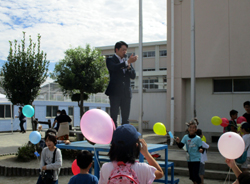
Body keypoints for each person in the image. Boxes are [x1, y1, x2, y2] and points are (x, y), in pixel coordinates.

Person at [98, 124, 164, 183]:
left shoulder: (105, 168)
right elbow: (160, 173)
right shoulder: (143, 168)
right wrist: (146, 154)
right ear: (136, 146)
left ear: (113, 146)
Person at [105, 41, 138, 127]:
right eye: (123, 50)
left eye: (126, 50)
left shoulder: (127, 61)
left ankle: (124, 138)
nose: (125, 52)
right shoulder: (110, 60)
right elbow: (114, 68)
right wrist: (127, 62)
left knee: (126, 119)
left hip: (126, 93)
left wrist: (129, 66)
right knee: (114, 117)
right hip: (115, 93)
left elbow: (133, 76)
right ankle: (114, 138)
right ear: (117, 49)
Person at [175, 120, 203, 184]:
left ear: (196, 129)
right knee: (191, 177)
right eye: (190, 127)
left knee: (196, 175)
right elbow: (181, 146)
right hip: (189, 159)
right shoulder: (185, 137)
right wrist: (177, 142)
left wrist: (201, 149)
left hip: (196, 159)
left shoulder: (198, 138)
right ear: (188, 129)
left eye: (193, 128)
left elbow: (201, 147)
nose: (191, 129)